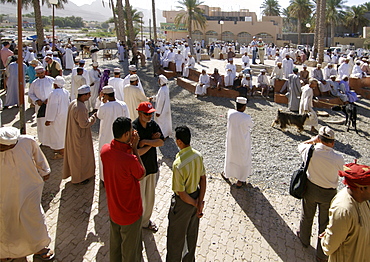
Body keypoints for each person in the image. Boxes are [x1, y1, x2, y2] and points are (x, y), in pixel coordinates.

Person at [0, 127, 55, 261]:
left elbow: (39, 158)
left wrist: (45, 171)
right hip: (4, 192)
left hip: (29, 188)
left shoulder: (27, 141)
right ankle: (7, 252)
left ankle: (39, 247)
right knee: (6, 221)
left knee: (33, 217)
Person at [296, 126, 345, 262]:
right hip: (328, 194)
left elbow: (300, 145)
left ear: (319, 139)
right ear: (333, 142)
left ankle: (304, 240)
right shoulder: (337, 158)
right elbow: (343, 172)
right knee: (325, 223)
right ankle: (321, 255)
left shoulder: (310, 150)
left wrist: (314, 140)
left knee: (307, 216)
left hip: (310, 188)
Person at [100, 117, 145, 262]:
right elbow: (141, 173)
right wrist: (134, 148)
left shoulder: (105, 151)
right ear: (126, 134)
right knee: (130, 252)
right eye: (131, 131)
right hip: (130, 212)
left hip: (114, 209)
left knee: (115, 246)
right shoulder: (129, 159)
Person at [166, 125, 206, 261]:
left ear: (179, 142)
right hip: (196, 195)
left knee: (175, 239)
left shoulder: (178, 164)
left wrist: (195, 203)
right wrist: (199, 202)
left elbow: (181, 193)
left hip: (184, 204)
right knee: (191, 235)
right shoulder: (198, 156)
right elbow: (203, 179)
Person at [320, 163, 370, 262]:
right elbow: (329, 247)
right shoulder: (343, 210)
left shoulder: (364, 200)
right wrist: (327, 237)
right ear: (361, 189)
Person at [132, 102, 164, 233]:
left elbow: (161, 142)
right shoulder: (134, 128)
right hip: (139, 170)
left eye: (151, 113)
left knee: (150, 198)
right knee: (139, 199)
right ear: (139, 114)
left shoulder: (153, 125)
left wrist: (145, 142)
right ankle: (137, 223)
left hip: (151, 167)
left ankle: (146, 222)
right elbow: (137, 152)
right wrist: (152, 143)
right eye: (147, 114)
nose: (150, 116)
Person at [63, 85, 97, 185]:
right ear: (83, 95)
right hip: (80, 137)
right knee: (81, 157)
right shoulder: (81, 107)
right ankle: (80, 178)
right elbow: (84, 124)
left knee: (75, 157)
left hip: (73, 134)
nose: (90, 96)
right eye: (88, 94)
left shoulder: (73, 103)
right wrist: (93, 118)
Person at [97, 86, 130, 182]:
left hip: (106, 137)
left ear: (106, 96)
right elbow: (128, 118)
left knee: (105, 158)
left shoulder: (104, 106)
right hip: (120, 137)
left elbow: (99, 116)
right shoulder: (123, 105)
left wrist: (102, 102)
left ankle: (105, 178)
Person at [223, 97, 253, 188]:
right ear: (244, 106)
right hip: (242, 142)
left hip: (232, 140)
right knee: (243, 159)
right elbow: (251, 125)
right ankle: (241, 179)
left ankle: (227, 173)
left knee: (230, 156)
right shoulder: (247, 117)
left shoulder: (230, 113)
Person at [44, 76, 70, 159]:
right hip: (65, 115)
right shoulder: (65, 92)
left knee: (57, 133)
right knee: (62, 133)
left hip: (57, 117)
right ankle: (62, 148)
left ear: (55, 84)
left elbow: (53, 107)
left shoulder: (54, 93)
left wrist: (49, 119)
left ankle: (62, 152)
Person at [29, 66, 54, 145]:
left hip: (50, 105)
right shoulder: (34, 83)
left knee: (50, 122)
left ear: (44, 72)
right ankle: (43, 141)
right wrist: (36, 100)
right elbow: (31, 94)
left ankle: (52, 140)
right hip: (39, 106)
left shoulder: (51, 80)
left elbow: (55, 91)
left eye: (41, 73)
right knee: (41, 123)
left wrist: (50, 99)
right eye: (38, 73)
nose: (40, 75)